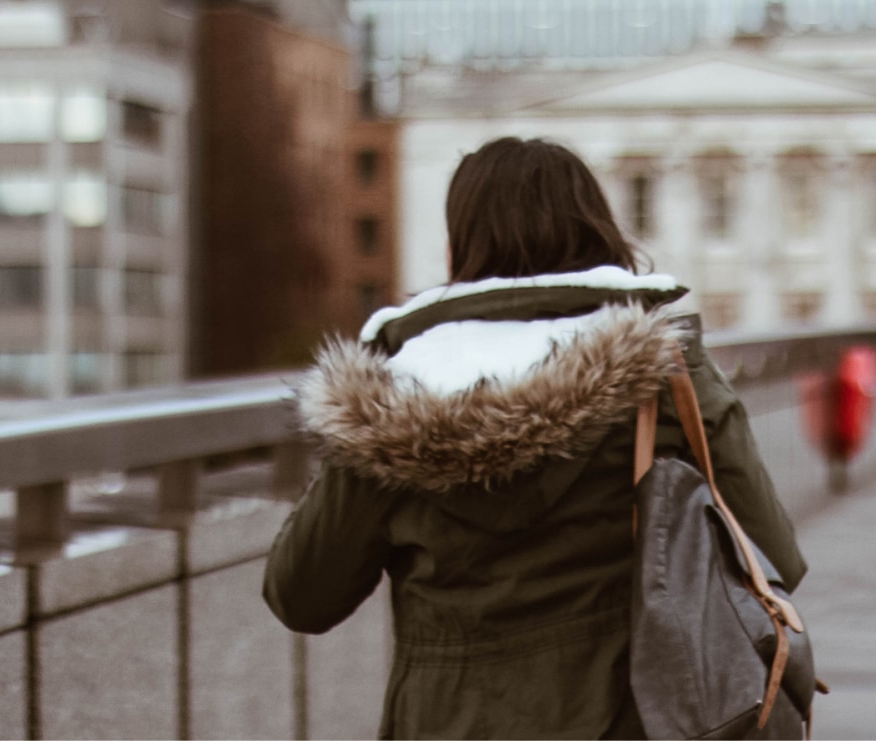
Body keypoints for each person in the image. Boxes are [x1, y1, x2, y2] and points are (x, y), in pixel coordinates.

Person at [264, 137, 807, 739]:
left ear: (458, 248)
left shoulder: (388, 397)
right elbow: (773, 555)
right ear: (598, 233)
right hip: (633, 719)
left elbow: (303, 597)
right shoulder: (664, 376)